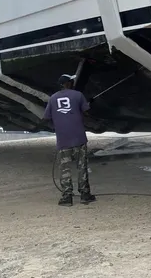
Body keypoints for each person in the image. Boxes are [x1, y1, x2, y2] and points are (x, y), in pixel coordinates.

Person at [44, 73, 96, 206]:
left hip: (63, 140)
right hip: (79, 137)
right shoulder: (78, 95)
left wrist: (59, 127)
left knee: (65, 169)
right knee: (82, 167)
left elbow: (47, 118)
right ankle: (85, 195)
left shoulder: (52, 98)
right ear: (68, 83)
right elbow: (87, 112)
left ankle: (67, 197)